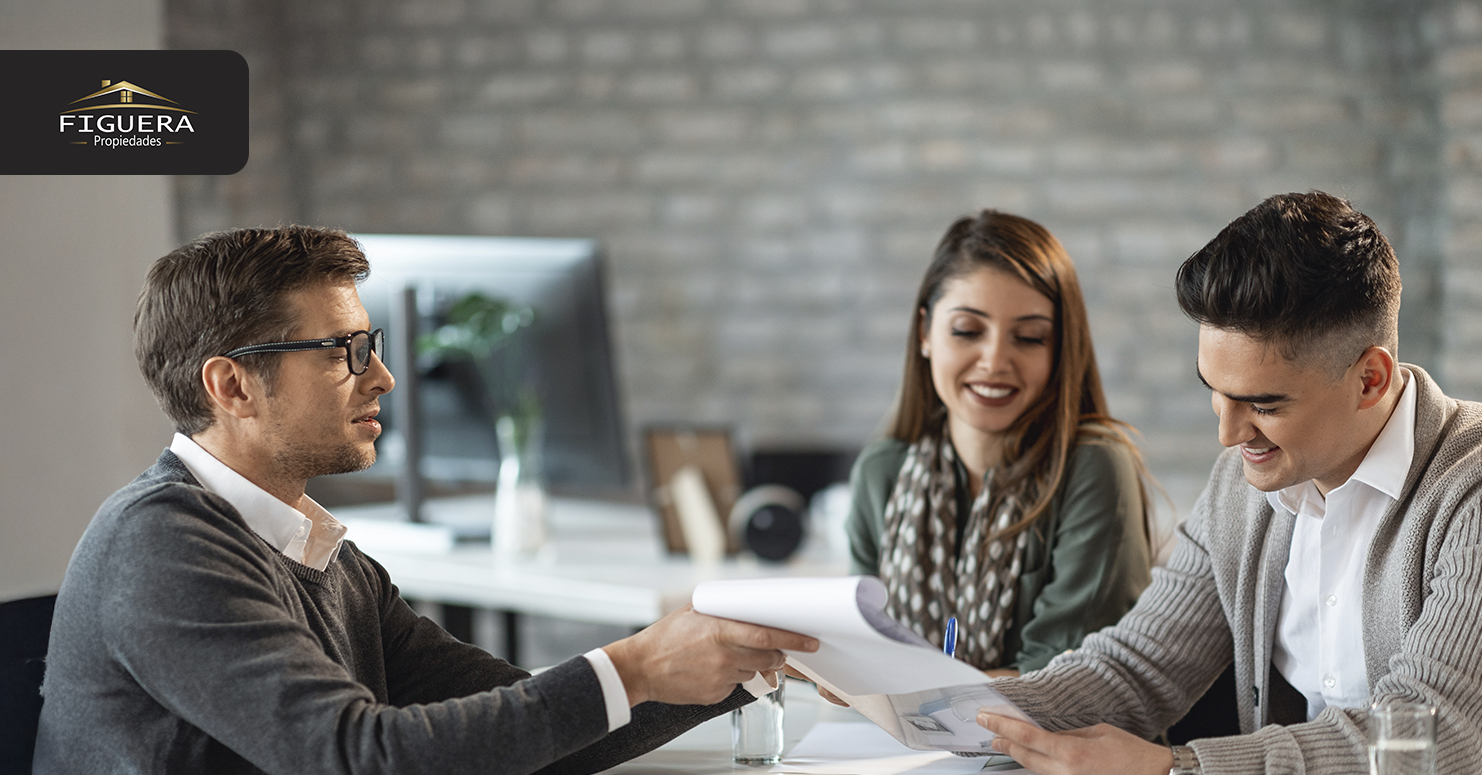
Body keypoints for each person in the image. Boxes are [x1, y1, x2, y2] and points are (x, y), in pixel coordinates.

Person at [33, 226, 818, 775]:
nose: (382, 378)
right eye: (346, 352)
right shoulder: (161, 547)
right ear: (232, 383)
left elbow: (511, 731)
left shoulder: (319, 553)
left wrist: (739, 663)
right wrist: (636, 665)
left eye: (371, 346)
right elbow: (358, 757)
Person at [975, 191, 1482, 774]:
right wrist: (942, 706)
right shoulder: (1243, 486)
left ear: (1370, 379)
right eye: (1215, 391)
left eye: (1263, 404)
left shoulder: (1467, 491)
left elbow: (1433, 732)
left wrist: (1177, 768)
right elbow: (1137, 666)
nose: (1229, 434)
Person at [846, 210, 1155, 677]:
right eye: (967, 331)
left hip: (1057, 745)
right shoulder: (880, 472)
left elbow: (1066, 677)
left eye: (1029, 337)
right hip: (906, 745)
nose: (994, 361)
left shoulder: (1094, 467)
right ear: (925, 333)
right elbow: (863, 647)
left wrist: (909, 690)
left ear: (1060, 349)